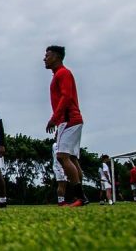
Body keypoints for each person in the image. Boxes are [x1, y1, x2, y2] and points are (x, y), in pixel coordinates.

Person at [44, 45, 88, 207]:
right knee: (72, 158)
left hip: (69, 119)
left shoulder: (63, 73)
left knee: (62, 156)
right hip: (70, 120)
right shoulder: (59, 74)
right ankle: (80, 197)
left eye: (47, 55)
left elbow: (66, 96)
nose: (44, 59)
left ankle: (80, 197)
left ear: (56, 56)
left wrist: (54, 119)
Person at [52, 142, 69, 206]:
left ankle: (62, 201)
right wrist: (64, 167)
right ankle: (60, 202)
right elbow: (58, 156)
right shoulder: (56, 144)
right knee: (61, 184)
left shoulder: (61, 144)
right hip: (58, 166)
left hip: (62, 166)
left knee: (64, 184)